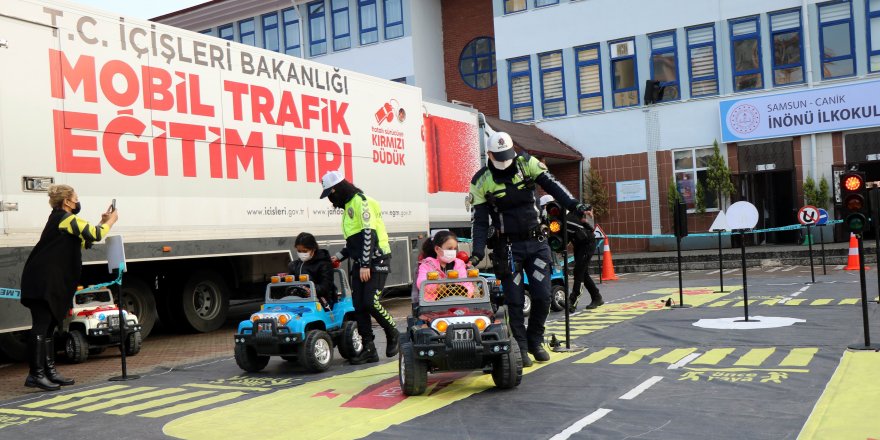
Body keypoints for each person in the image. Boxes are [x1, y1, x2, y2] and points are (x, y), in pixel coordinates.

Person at [469, 132, 589, 367]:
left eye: (507, 156)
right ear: (489, 155)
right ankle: (520, 348)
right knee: (514, 301)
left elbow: (554, 186)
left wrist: (575, 205)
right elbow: (480, 221)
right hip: (508, 248)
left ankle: (535, 341)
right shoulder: (481, 181)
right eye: (499, 157)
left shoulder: (527, 163)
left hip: (537, 244)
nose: (505, 161)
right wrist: (476, 252)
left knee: (543, 296)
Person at [20, 184, 118, 391]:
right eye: (75, 197)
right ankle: (35, 374)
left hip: (46, 280)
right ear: (67, 201)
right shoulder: (66, 219)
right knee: (42, 324)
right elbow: (96, 234)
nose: (77, 201)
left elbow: (86, 239)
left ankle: (49, 371)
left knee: (49, 326)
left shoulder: (61, 220)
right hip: (42, 281)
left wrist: (102, 221)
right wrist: (110, 221)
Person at [320, 171, 398, 364]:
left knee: (371, 302)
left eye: (330, 194)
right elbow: (354, 242)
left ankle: (393, 332)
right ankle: (369, 349)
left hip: (377, 259)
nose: (330, 200)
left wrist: (365, 264)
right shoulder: (348, 207)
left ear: (336, 190)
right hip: (361, 261)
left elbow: (369, 234)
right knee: (359, 306)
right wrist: (337, 257)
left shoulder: (361, 201)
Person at [538, 195, 603, 312]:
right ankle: (597, 297)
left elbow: (586, 207)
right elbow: (563, 239)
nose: (548, 210)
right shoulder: (556, 222)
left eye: (548, 206)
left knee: (579, 271)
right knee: (583, 273)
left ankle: (572, 302)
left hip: (587, 242)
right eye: (545, 207)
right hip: (578, 244)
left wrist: (588, 212)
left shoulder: (570, 211)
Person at [414, 230, 470, 303]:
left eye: (455, 249)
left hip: (459, 302)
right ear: (437, 249)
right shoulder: (427, 264)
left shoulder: (459, 264)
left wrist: (462, 293)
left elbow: (468, 285)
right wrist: (438, 288)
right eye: (449, 248)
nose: (453, 251)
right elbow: (421, 283)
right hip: (434, 305)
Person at [288, 232, 337, 308]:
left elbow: (325, 287)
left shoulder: (324, 263)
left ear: (313, 249)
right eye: (299, 251)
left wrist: (310, 290)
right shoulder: (295, 265)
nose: (302, 254)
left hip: (322, 299)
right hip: (299, 300)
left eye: (305, 251)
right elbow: (289, 284)